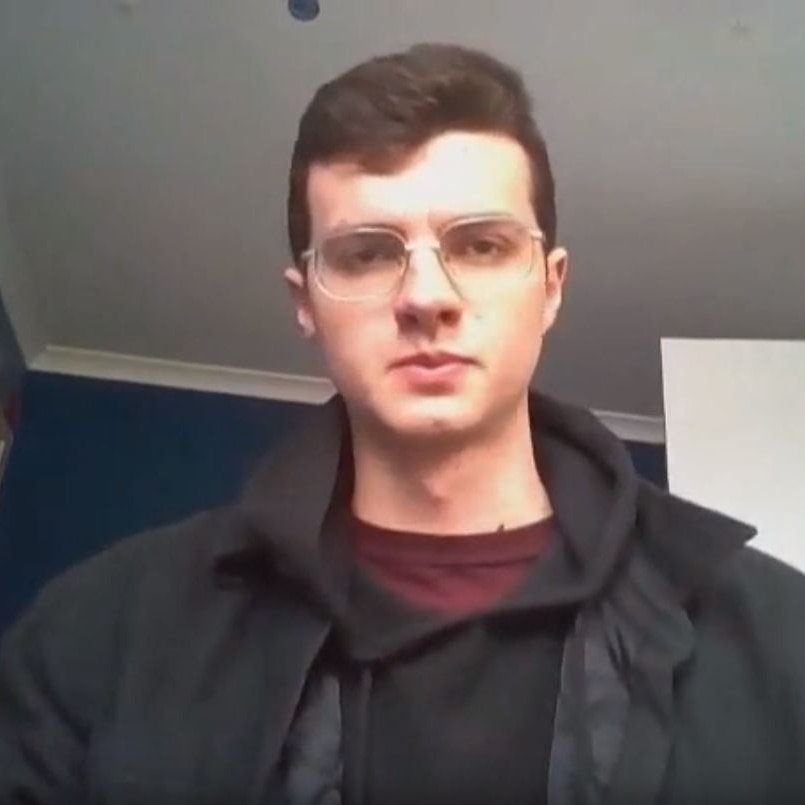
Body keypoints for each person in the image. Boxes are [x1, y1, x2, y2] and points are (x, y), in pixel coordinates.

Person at [1, 42, 805, 805]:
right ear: (304, 302)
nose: (426, 295)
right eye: (366, 254)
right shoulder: (102, 630)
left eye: (482, 244)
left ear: (550, 286)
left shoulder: (777, 635)